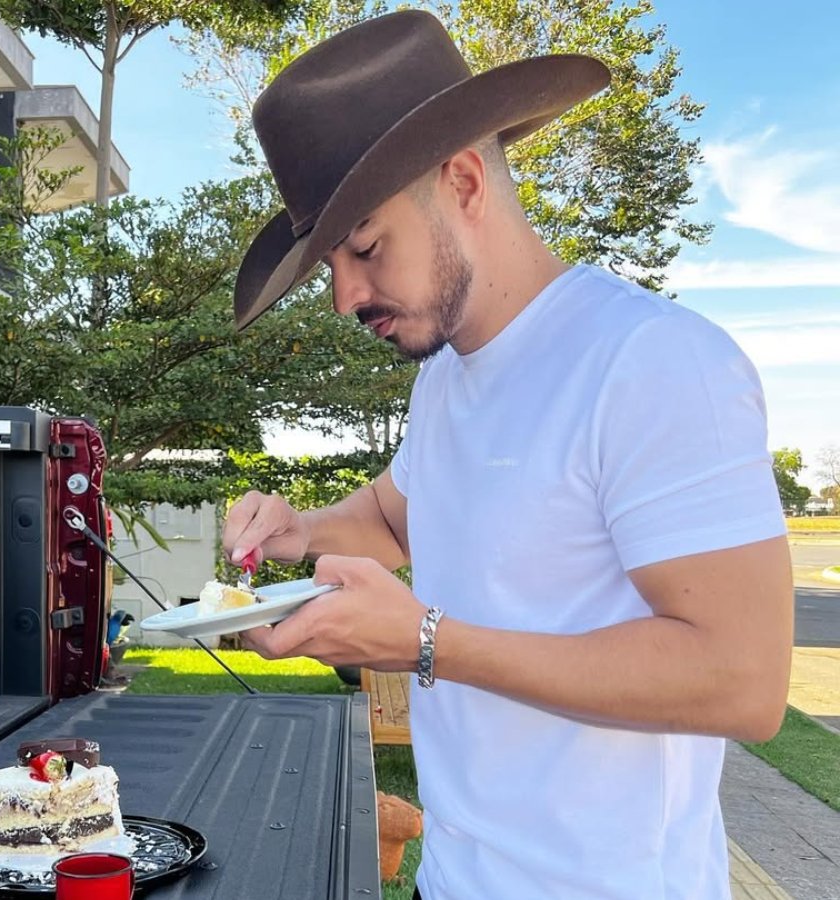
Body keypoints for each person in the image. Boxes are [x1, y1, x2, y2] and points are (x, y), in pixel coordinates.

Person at [222, 10, 793, 900]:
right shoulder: (447, 377)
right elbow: (390, 516)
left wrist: (421, 642)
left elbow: (743, 680)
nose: (344, 298)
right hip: (453, 879)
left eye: (365, 247)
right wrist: (297, 532)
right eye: (330, 262)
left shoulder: (654, 362)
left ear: (462, 180)